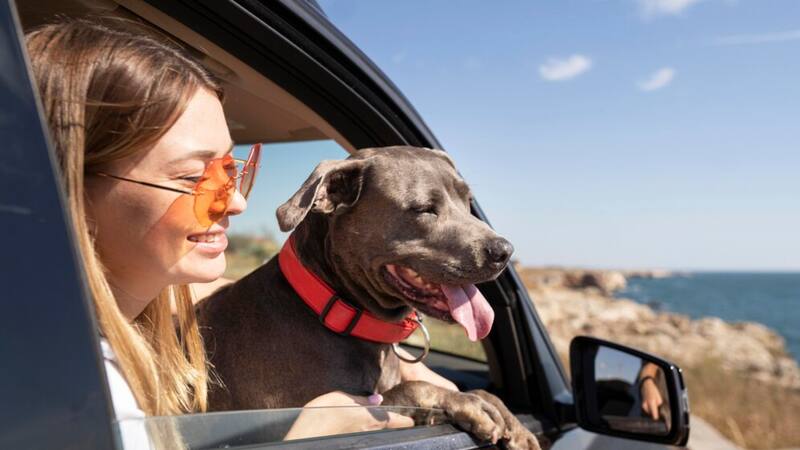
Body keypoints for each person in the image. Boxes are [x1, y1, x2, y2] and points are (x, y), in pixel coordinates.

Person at [26, 16, 449, 448]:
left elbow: (207, 292)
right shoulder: (77, 393)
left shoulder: (102, 321)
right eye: (194, 178)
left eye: (230, 170)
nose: (235, 203)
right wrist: (306, 442)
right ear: (69, 189)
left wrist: (392, 346)